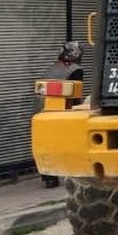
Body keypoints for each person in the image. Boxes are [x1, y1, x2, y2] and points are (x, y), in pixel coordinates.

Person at [39, 41, 85, 188]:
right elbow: (75, 93)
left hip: (42, 110)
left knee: (46, 142)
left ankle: (48, 177)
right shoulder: (75, 70)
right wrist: (77, 110)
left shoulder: (52, 67)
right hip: (62, 110)